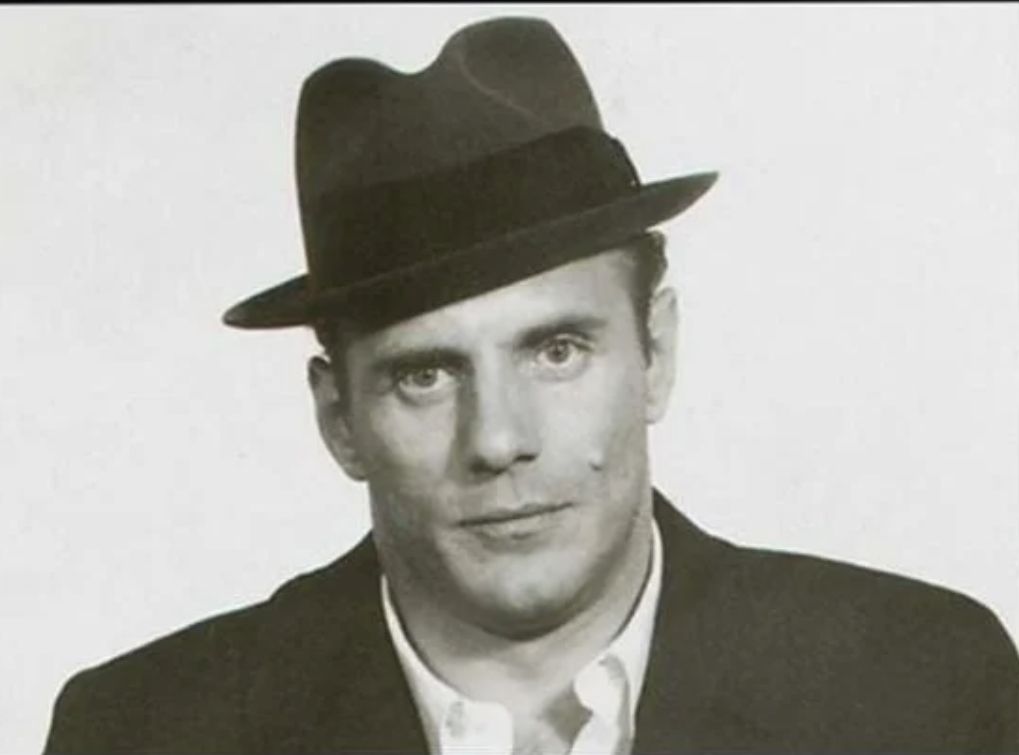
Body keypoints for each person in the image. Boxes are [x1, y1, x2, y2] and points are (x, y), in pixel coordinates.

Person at [43, 16, 1018, 755]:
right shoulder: (143, 730)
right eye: (425, 374)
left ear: (655, 352)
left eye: (555, 350)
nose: (498, 438)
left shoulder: (920, 687)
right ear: (338, 418)